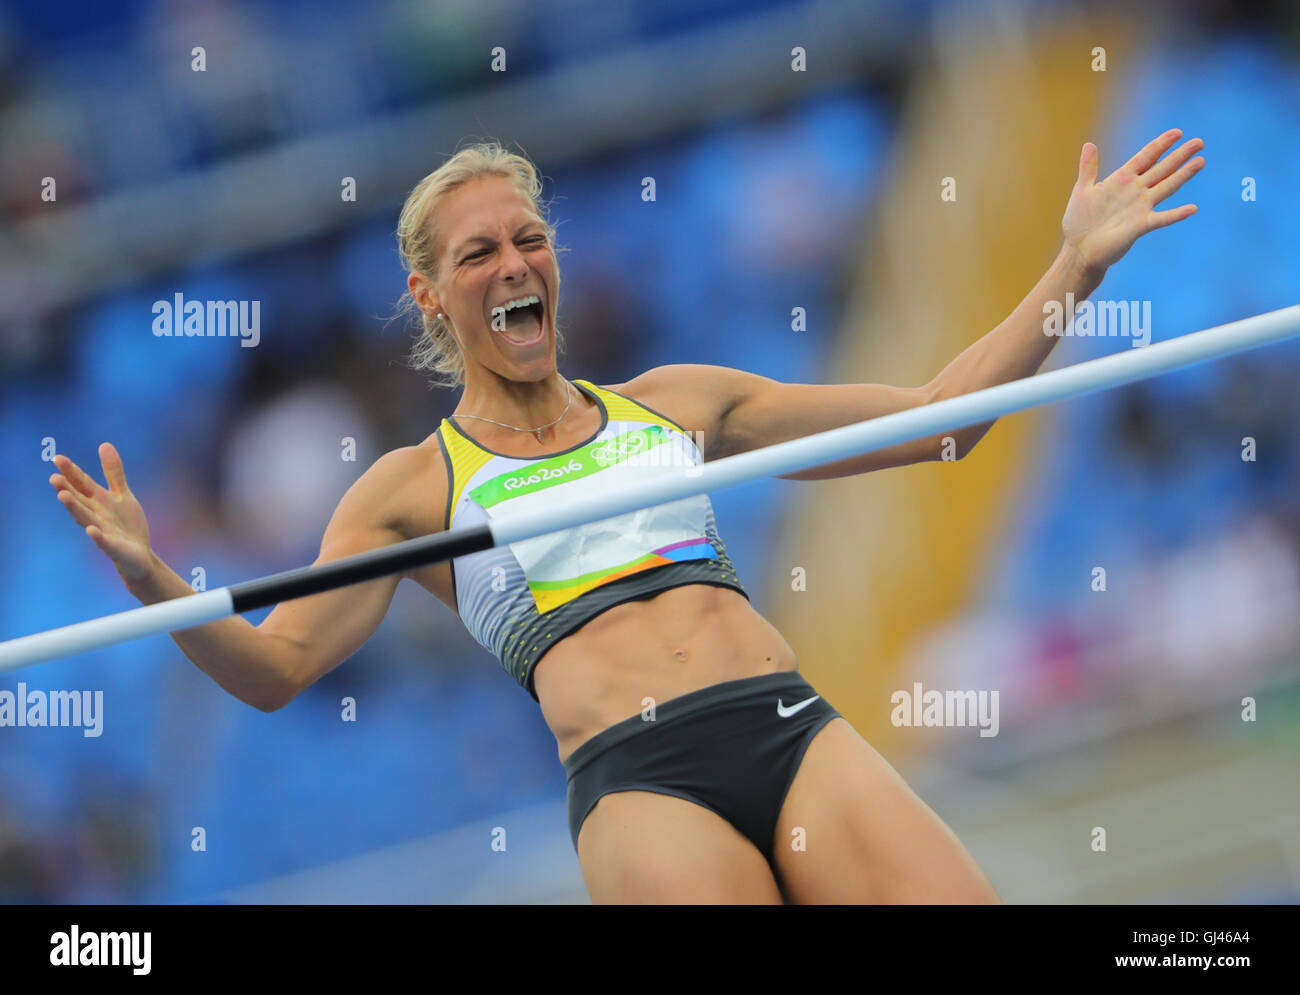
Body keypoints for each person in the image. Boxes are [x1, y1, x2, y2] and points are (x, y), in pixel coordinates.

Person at [50, 132, 1204, 903]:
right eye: (479, 252)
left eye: (529, 237)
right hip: (641, 777)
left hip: (792, 725)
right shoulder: (411, 487)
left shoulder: (675, 403)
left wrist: (1073, 265)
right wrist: (157, 579)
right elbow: (272, 667)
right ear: (430, 294)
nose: (515, 262)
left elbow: (942, 423)